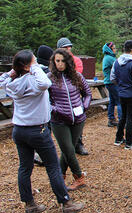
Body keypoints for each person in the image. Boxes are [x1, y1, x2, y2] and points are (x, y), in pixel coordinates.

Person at [0, 50, 84, 213]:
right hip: (38, 129)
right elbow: (46, 84)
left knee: (25, 167)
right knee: (53, 167)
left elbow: (2, 80)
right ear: (28, 65)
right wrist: (34, 68)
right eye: (34, 60)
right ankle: (66, 203)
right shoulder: (35, 80)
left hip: (19, 129)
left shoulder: (12, 82)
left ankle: (29, 204)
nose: (37, 61)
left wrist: (14, 71)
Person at [48, 49, 92, 191]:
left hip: (78, 119)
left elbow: (87, 93)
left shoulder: (77, 76)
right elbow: (44, 101)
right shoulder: (49, 78)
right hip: (59, 120)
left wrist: (84, 107)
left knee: (69, 150)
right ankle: (79, 177)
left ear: (68, 61)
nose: (60, 64)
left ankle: (60, 177)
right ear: (54, 62)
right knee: (67, 149)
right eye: (57, 61)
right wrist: (56, 110)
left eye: (63, 61)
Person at [57, 37, 88, 155]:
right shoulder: (55, 60)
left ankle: (78, 144)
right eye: (65, 47)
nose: (68, 49)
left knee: (78, 118)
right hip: (60, 97)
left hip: (74, 95)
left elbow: (76, 75)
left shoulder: (76, 60)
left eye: (69, 47)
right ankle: (66, 146)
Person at [111, 40, 132, 149]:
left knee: (123, 117)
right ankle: (129, 143)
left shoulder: (116, 62)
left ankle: (118, 138)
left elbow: (112, 78)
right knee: (130, 118)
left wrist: (120, 85)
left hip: (121, 93)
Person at [33, 45, 54, 166]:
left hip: (33, 108)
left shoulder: (31, 71)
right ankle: (42, 156)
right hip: (45, 107)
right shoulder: (46, 72)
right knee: (45, 130)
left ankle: (36, 153)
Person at [102, 42, 122, 127]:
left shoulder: (107, 57)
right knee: (120, 101)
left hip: (109, 82)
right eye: (114, 48)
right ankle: (121, 120)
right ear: (110, 49)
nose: (115, 50)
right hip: (112, 83)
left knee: (112, 101)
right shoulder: (110, 58)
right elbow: (120, 65)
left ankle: (111, 119)